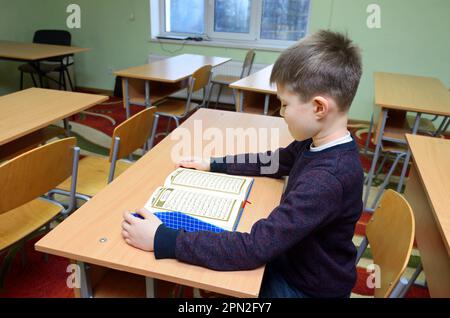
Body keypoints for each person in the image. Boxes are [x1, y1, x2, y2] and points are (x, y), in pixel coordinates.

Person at [121, 29, 364, 298]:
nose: (281, 114)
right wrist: (215, 164)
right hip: (293, 259)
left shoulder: (328, 178)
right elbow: (277, 160)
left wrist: (162, 240)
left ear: (319, 108)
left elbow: (254, 248)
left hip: (304, 287)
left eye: (284, 105)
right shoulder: (319, 142)